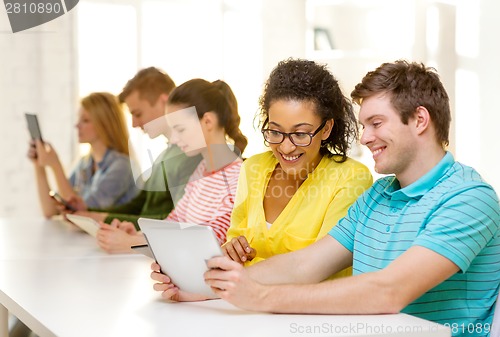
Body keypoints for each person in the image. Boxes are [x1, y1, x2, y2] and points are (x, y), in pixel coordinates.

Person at [152, 60, 500, 337]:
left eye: (377, 123)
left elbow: (389, 291)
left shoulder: (468, 198)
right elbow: (303, 266)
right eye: (364, 125)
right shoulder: (377, 197)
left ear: (420, 120)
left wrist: (259, 297)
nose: (365, 138)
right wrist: (204, 287)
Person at [221, 58, 372, 268]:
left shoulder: (351, 179)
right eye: (275, 131)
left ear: (326, 129)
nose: (286, 147)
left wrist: (240, 274)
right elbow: (233, 242)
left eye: (300, 134)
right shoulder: (253, 169)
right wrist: (230, 251)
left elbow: (316, 268)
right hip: (242, 300)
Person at [96, 78, 247, 252]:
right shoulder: (201, 170)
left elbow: (208, 243)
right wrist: (137, 235)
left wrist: (131, 244)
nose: (174, 139)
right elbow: (175, 222)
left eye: (180, 129)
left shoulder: (237, 179)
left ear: (207, 122)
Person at [75, 67, 201, 227]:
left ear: (164, 101)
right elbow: (139, 205)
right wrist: (91, 213)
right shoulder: (165, 155)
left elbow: (176, 222)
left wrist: (99, 218)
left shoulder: (192, 155)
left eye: (138, 114)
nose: (134, 124)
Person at [28, 92, 138, 218]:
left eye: (85, 120)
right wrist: (38, 165)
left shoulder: (122, 166)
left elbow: (80, 214)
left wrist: (56, 165)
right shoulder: (85, 163)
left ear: (104, 124)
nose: (77, 126)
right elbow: (50, 211)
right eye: (78, 119)